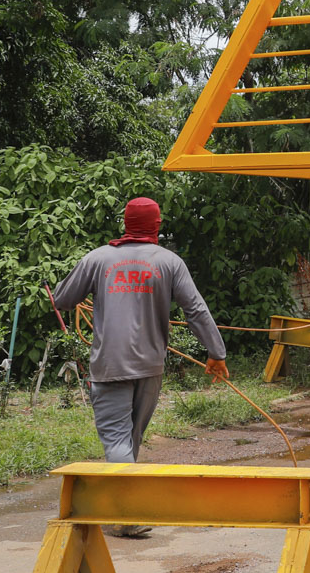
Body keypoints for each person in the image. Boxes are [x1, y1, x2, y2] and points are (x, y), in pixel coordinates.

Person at [51, 197, 229, 537]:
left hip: (110, 365)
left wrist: (62, 291)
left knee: (118, 441)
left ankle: (129, 513)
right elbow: (196, 310)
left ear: (125, 224)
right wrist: (216, 353)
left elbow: (62, 300)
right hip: (150, 366)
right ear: (158, 226)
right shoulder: (169, 262)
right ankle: (125, 511)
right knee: (130, 439)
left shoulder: (98, 258)